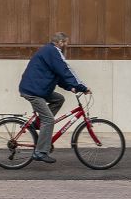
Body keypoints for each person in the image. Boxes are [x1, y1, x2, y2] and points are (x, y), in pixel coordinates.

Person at [18, 31, 90, 163]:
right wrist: (82, 87)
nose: (67, 45)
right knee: (49, 120)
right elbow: (65, 70)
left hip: (38, 88)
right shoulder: (53, 51)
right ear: (60, 43)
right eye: (66, 43)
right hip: (33, 91)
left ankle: (38, 123)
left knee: (59, 99)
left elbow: (58, 75)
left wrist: (71, 87)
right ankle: (40, 152)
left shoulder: (49, 51)